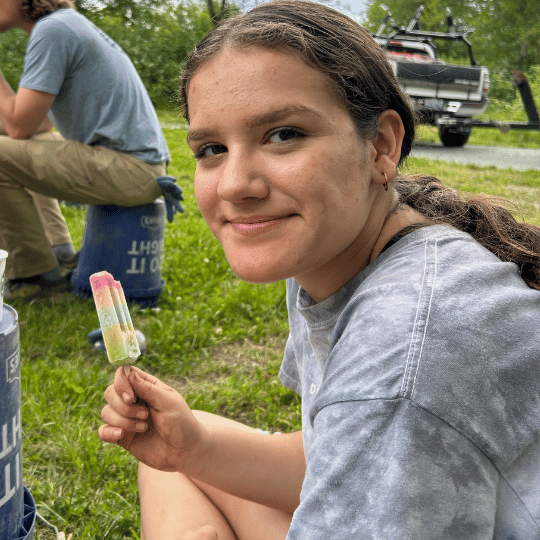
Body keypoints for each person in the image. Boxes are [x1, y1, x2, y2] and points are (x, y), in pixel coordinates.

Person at [98, 1, 540, 538]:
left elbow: (381, 414)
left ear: (381, 146)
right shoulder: (338, 256)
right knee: (175, 457)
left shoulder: (404, 352)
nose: (235, 185)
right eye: (212, 148)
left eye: (284, 134)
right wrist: (194, 448)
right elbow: (331, 459)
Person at [0, 0, 173, 302]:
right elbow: (36, 127)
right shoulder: (64, 24)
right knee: (19, 149)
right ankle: (59, 251)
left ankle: (35, 276)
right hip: (139, 166)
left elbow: (19, 126)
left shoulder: (52, 30)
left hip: (132, 170)